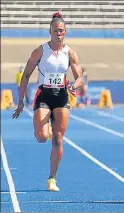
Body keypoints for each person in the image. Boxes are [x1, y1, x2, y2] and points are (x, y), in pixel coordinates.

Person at [12, 12, 84, 191]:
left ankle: (52, 178)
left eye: (61, 30)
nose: (58, 33)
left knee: (59, 140)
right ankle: (43, 129)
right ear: (50, 32)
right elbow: (26, 75)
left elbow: (80, 77)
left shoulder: (70, 53)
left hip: (61, 96)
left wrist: (74, 85)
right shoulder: (40, 51)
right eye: (55, 31)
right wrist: (21, 102)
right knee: (42, 137)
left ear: (65, 32)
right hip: (43, 95)